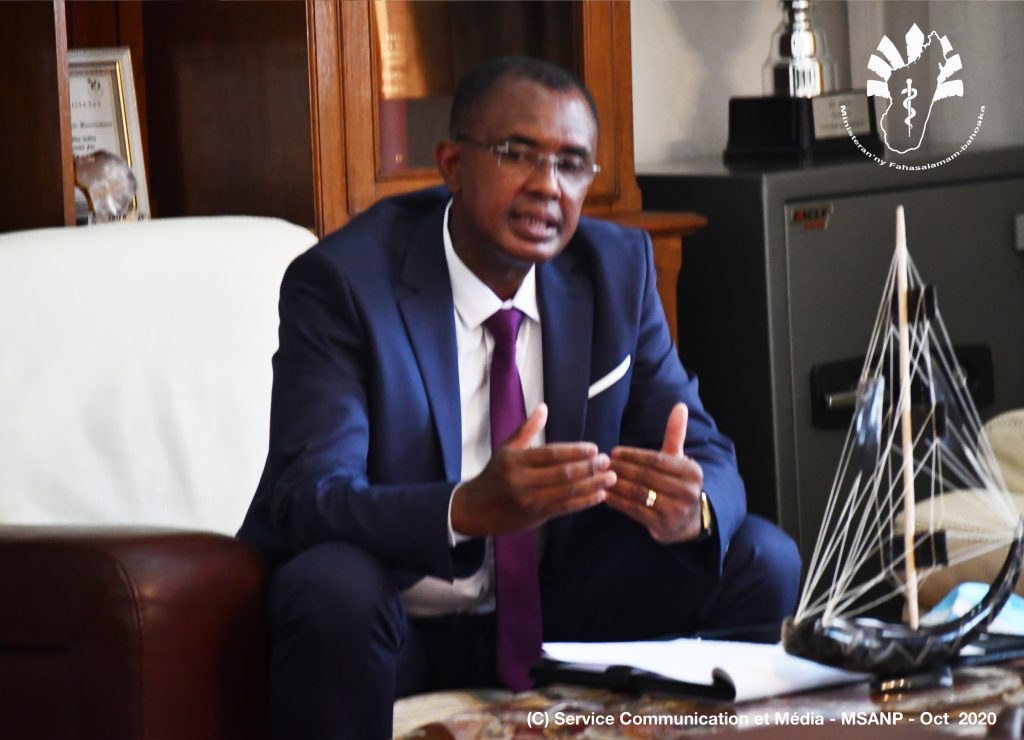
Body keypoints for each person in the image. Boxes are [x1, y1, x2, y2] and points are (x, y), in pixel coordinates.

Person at [238, 55, 800, 739]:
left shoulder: (616, 270)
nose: (547, 186)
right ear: (451, 164)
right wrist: (466, 508)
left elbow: (705, 448)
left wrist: (693, 506)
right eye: (517, 154)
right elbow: (310, 497)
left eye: (572, 164)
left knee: (760, 558)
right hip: (398, 618)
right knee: (330, 589)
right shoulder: (344, 284)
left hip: (559, 611)